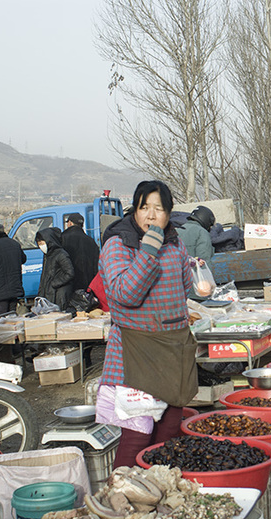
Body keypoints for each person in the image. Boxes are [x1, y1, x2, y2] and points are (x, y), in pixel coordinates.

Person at [96, 180, 197, 468]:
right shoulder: (119, 244)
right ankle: (121, 500)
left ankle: (155, 497)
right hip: (136, 351)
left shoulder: (175, 244)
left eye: (159, 209)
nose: (152, 216)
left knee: (168, 435)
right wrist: (148, 252)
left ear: (168, 213)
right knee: (138, 436)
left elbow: (184, 287)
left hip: (173, 350)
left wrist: (197, 273)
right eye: (145, 208)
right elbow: (124, 294)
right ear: (134, 211)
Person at [35, 228, 75, 310]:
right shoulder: (47, 256)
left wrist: (54, 283)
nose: (41, 246)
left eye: (42, 243)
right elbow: (44, 276)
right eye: (39, 244)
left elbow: (70, 273)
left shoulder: (61, 254)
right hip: (49, 294)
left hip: (59, 294)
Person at [61, 213, 101, 291]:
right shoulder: (90, 241)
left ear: (70, 223)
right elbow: (96, 266)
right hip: (87, 285)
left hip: (68, 286)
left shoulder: (62, 238)